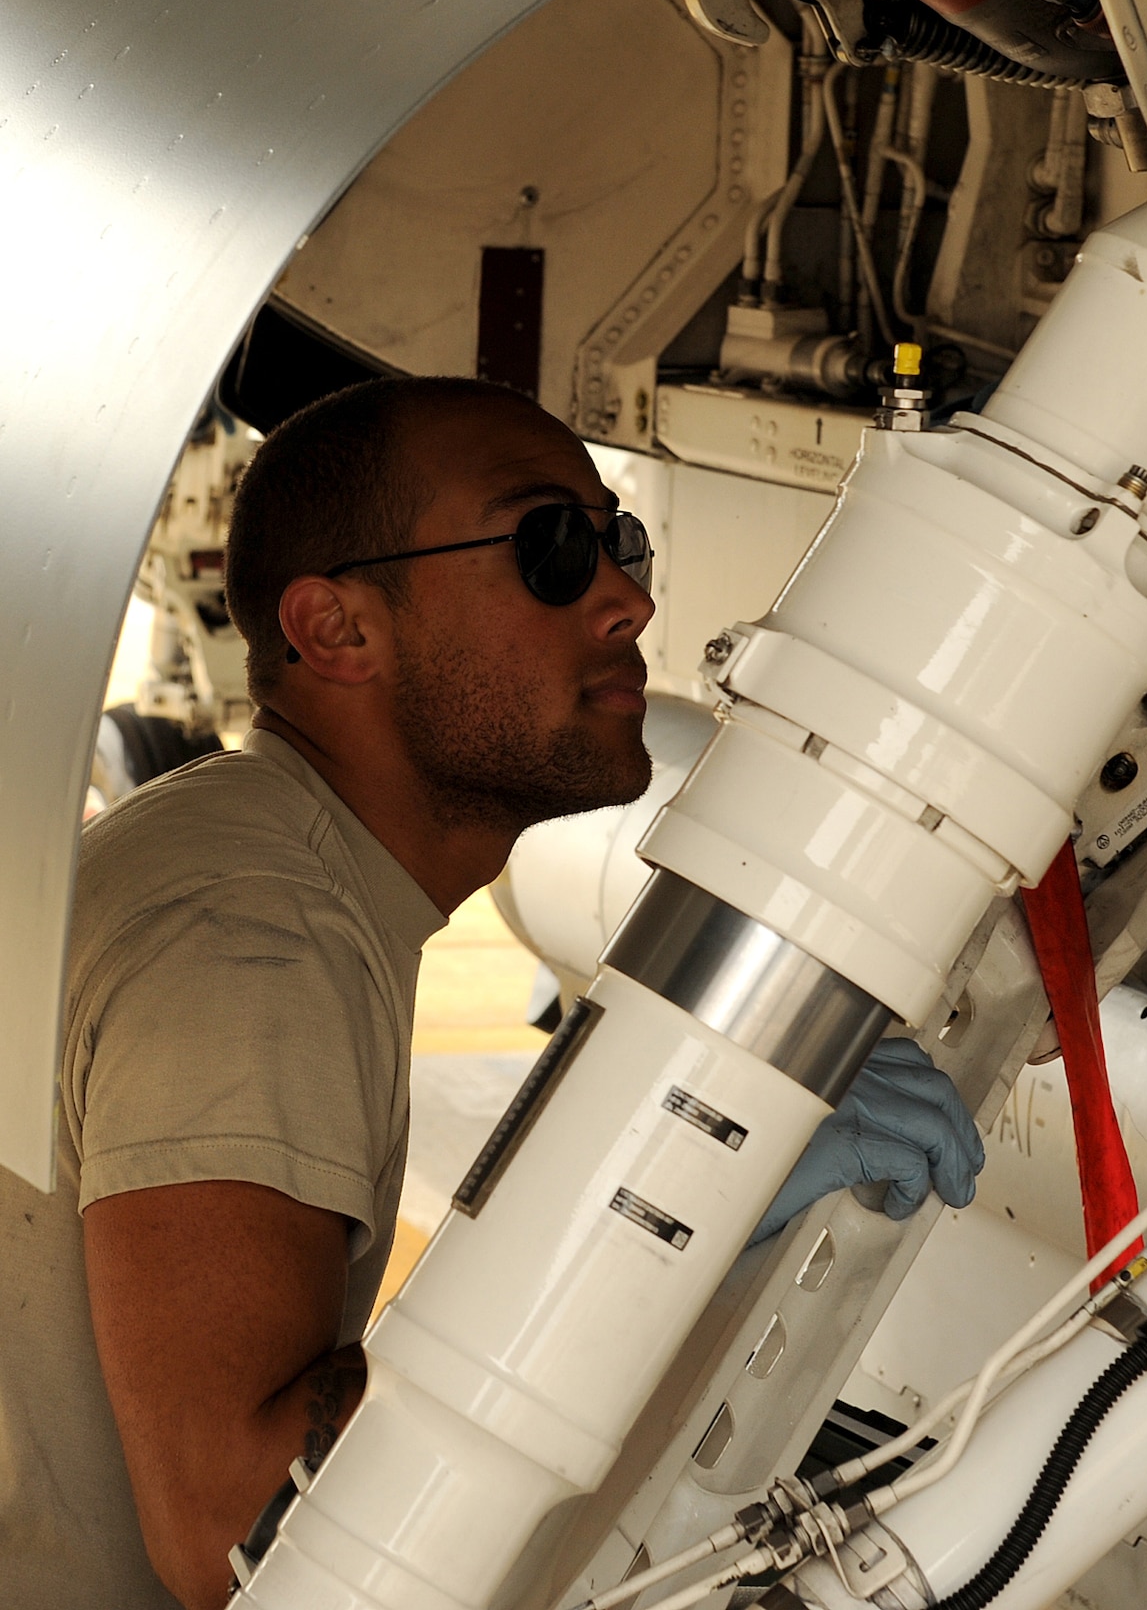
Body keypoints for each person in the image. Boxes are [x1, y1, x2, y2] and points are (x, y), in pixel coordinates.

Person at [0, 376, 983, 1610]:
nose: (628, 598)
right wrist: (680, 1209)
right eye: (551, 547)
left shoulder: (249, 861)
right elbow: (241, 1532)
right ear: (336, 629)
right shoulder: (255, 934)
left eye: (619, 542)